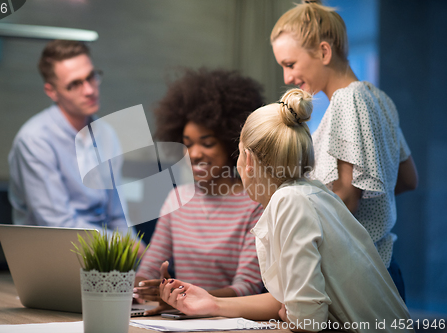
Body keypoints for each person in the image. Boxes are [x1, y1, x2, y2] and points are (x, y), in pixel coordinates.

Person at [159, 89, 413, 333]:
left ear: (248, 161)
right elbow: (284, 300)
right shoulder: (309, 193)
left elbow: (306, 320)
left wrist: (292, 313)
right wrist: (211, 303)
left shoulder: (288, 202)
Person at [269, 0, 418, 300]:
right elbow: (407, 179)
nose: (287, 78)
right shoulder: (380, 99)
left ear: (324, 52)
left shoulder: (346, 101)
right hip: (386, 268)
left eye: (290, 64)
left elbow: (348, 198)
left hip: (362, 277)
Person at [133, 68, 265, 315]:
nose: (194, 154)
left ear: (231, 143)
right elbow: (150, 268)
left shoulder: (255, 203)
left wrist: (183, 296)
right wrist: (143, 288)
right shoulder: (177, 199)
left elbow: (247, 287)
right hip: (181, 320)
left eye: (207, 143)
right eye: (188, 143)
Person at [8, 40, 129, 235]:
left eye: (91, 77)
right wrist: (122, 245)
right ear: (52, 92)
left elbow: (117, 215)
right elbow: (58, 224)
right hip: (52, 256)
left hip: (105, 254)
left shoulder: (106, 134)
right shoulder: (34, 140)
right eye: (74, 84)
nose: (89, 90)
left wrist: (137, 252)